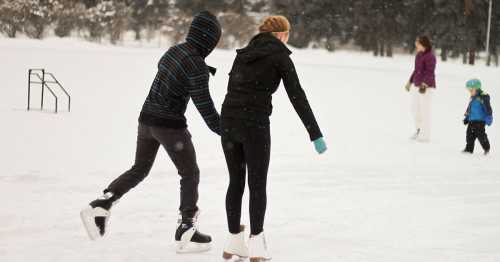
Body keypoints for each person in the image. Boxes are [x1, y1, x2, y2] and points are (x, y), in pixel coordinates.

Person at [80, 11, 222, 253]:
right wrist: (228, 131)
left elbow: (174, 72)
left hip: (146, 121)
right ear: (208, 40)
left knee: (140, 168)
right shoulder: (196, 65)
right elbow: (206, 108)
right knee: (190, 173)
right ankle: (186, 228)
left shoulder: (174, 51)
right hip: (169, 126)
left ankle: (102, 204)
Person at [220, 16, 327, 261]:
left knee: (235, 181)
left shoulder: (243, 53)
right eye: (288, 34)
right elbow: (297, 96)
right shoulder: (280, 57)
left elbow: (232, 88)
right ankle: (257, 245)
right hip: (254, 124)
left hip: (229, 121)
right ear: (281, 34)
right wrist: (315, 134)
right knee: (257, 184)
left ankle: (234, 241)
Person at [405, 36, 437, 142]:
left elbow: (430, 73)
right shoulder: (418, 55)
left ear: (423, 44)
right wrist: (410, 81)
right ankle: (419, 130)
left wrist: (424, 84)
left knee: (424, 111)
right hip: (416, 85)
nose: (416, 45)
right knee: (415, 108)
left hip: (426, 87)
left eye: (417, 43)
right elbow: (416, 70)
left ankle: (425, 135)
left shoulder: (430, 57)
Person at [463, 79, 493, 155]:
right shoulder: (472, 98)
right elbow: (469, 108)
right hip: (471, 121)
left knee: (481, 135)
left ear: (477, 88)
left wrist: (489, 116)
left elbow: (488, 108)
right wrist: (467, 117)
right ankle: (469, 149)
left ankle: (486, 148)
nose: (470, 92)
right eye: (469, 90)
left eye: (471, 90)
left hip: (480, 121)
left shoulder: (483, 97)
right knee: (469, 135)